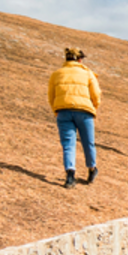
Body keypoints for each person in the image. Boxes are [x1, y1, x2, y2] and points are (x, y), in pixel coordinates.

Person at [48, 48, 101, 188]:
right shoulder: (88, 73)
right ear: (80, 59)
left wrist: (56, 110)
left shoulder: (56, 74)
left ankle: (70, 175)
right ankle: (91, 168)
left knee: (68, 144)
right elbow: (96, 94)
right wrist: (94, 107)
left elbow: (51, 95)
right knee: (88, 143)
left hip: (63, 111)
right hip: (84, 111)